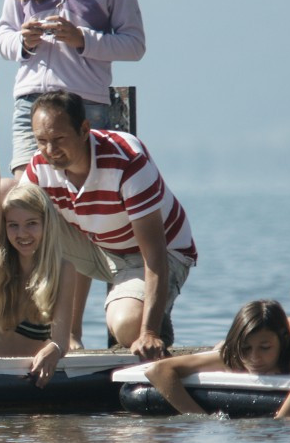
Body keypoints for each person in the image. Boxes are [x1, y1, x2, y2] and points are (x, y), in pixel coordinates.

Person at [23, 90, 196, 361]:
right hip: (100, 246)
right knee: (12, 202)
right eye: (41, 141)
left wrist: (149, 331)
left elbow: (155, 255)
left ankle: (155, 320)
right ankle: (65, 333)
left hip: (160, 254)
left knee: (127, 326)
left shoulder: (127, 159)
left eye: (58, 139)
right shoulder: (39, 166)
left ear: (84, 129)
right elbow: (12, 237)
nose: (50, 150)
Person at [0, 91, 75, 386]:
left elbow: (61, 339)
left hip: (30, 388)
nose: (22, 234)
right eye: (13, 226)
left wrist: (54, 349)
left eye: (31, 224)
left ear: (46, 225)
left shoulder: (63, 270)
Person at [0, 0, 146, 180]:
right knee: (27, 193)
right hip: (31, 103)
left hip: (85, 103)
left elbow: (135, 45)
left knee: (86, 190)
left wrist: (83, 39)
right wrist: (22, 41)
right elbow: (2, 40)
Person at [143, 300, 290, 416]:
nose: (254, 357)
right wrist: (200, 417)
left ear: (283, 340)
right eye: (246, 348)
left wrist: (280, 423)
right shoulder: (234, 355)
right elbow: (157, 370)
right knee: (221, 347)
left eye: (265, 348)